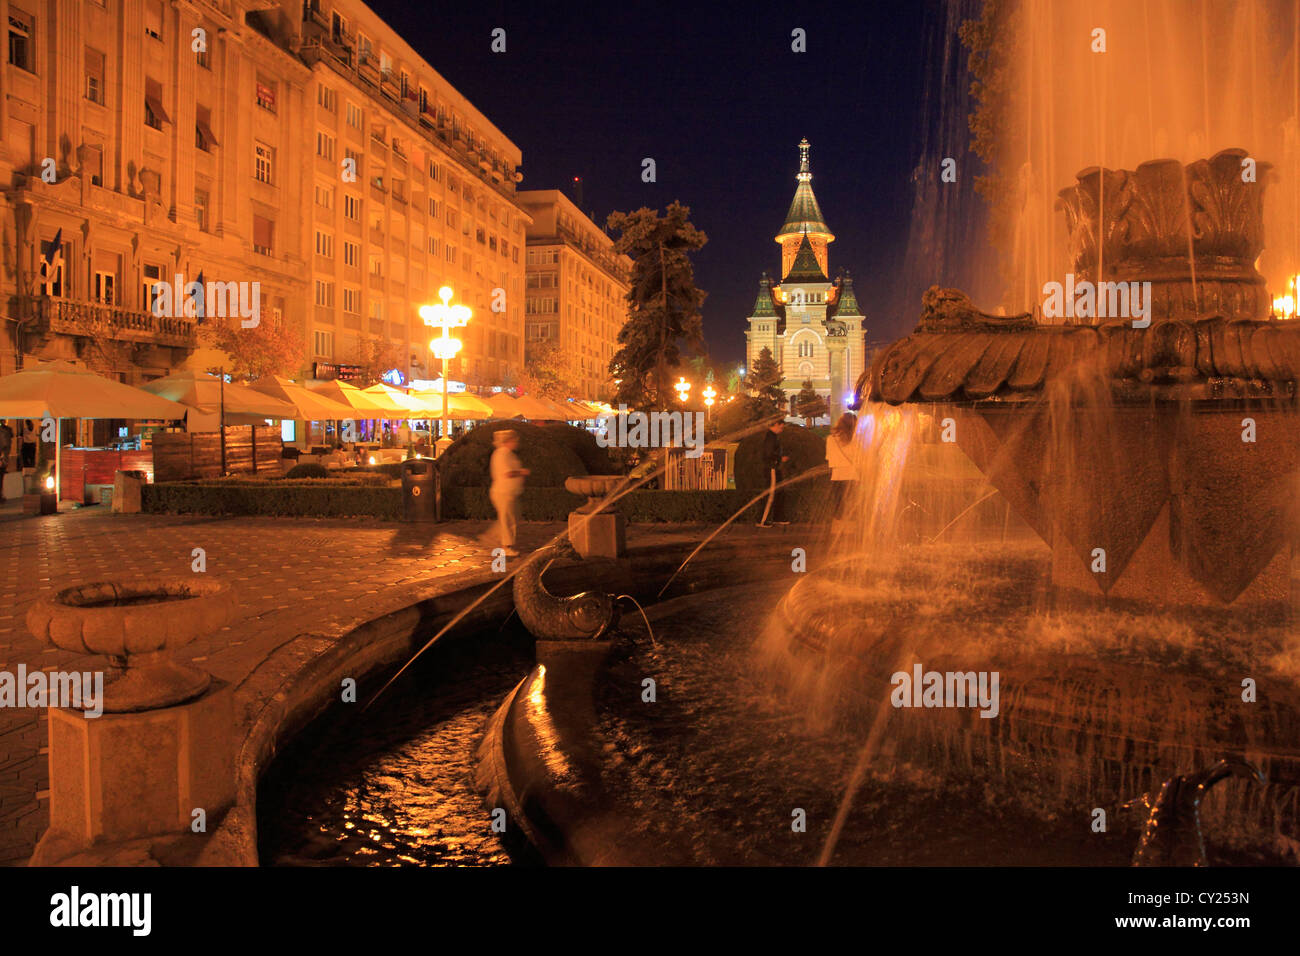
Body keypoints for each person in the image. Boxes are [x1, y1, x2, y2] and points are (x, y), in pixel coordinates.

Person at [489, 429, 529, 555]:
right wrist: (522, 472)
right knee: (508, 519)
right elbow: (507, 473)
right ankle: (505, 546)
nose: (516, 442)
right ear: (508, 441)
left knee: (509, 518)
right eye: (514, 440)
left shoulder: (507, 453)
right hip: (503, 491)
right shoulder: (502, 454)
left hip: (508, 492)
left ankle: (497, 539)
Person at [825, 412, 859, 520]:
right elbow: (860, 457)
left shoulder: (831, 438)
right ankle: (851, 522)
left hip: (837, 474)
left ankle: (839, 525)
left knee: (839, 503)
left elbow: (829, 457)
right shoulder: (857, 439)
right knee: (852, 502)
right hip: (853, 474)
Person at [757, 417, 790, 527]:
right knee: (770, 493)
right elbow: (768, 454)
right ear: (775, 424)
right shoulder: (770, 437)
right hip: (771, 467)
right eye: (780, 428)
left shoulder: (773, 437)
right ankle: (762, 520)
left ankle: (778, 517)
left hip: (775, 467)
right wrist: (780, 459)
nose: (781, 430)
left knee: (778, 492)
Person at [0, 420, 13, 503]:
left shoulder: (5, 432)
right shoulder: (6, 432)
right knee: (1, 477)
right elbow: (5, 446)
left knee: (1, 477)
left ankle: (1, 495)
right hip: (3, 459)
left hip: (3, 459)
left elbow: (5, 446)